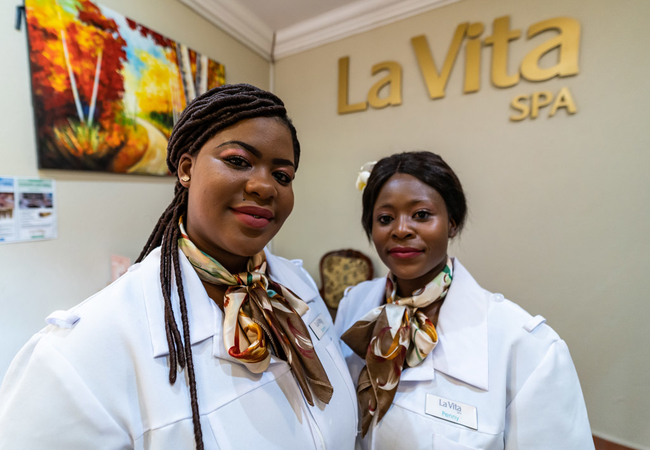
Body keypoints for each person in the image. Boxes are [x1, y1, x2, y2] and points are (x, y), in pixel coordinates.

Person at [0, 84, 358, 450]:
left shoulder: (297, 285)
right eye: (238, 161)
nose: (265, 186)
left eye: (282, 175)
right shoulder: (78, 355)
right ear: (186, 169)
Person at [335, 151, 594, 449]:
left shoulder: (528, 347)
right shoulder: (354, 305)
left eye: (421, 214)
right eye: (385, 218)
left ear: (453, 223)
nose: (401, 229)